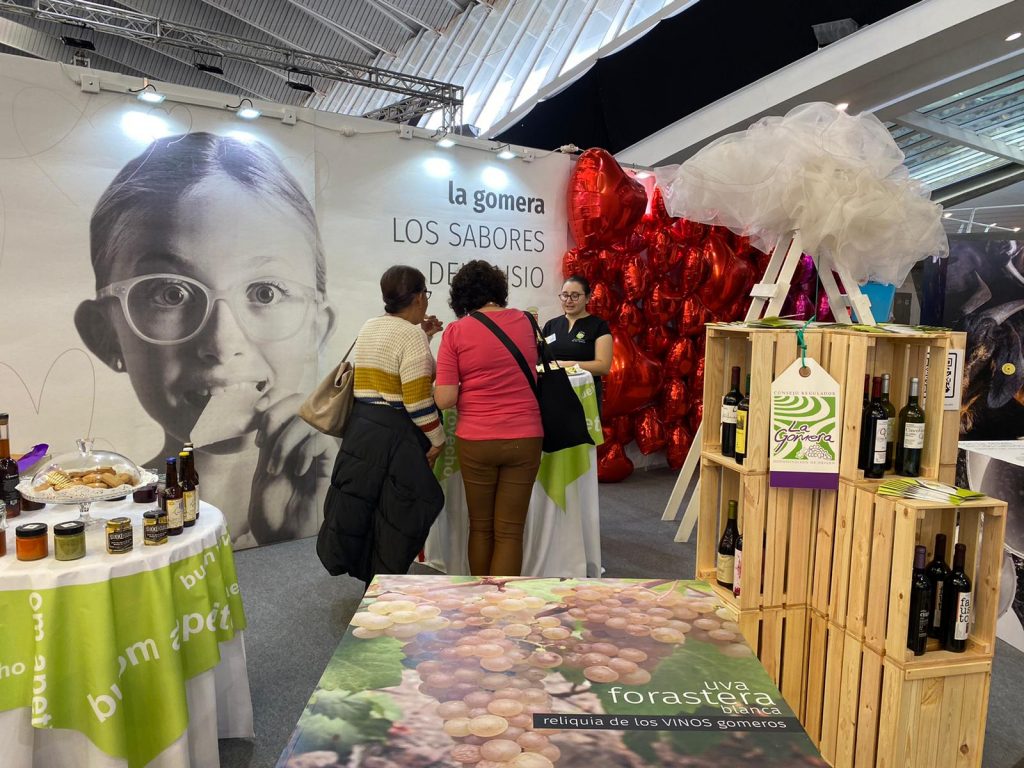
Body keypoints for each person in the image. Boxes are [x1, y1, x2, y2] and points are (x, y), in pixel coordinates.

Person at [75, 132, 336, 547]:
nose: (221, 342)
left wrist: (293, 539)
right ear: (105, 333)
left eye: (265, 292)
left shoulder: (337, 501)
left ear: (316, 329)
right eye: (170, 294)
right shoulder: (110, 526)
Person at [317, 266, 446, 584]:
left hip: (362, 429)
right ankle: (386, 590)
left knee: (365, 510)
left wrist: (424, 335)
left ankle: (371, 586)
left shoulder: (371, 326)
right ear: (418, 297)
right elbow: (416, 402)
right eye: (425, 295)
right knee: (399, 514)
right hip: (395, 436)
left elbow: (387, 367)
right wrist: (439, 439)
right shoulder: (411, 336)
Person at [434, 260, 542, 577]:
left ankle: (479, 609)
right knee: (510, 533)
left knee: (480, 528)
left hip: (477, 439)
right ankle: (503, 612)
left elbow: (446, 398)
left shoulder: (455, 332)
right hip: (525, 436)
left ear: (461, 296)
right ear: (499, 289)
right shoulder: (526, 322)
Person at [541, 275, 613, 409]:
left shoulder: (599, 326)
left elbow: (603, 367)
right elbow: (540, 360)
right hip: (552, 394)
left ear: (587, 298)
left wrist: (568, 366)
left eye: (575, 296)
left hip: (584, 396)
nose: (568, 301)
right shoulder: (551, 325)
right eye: (564, 295)